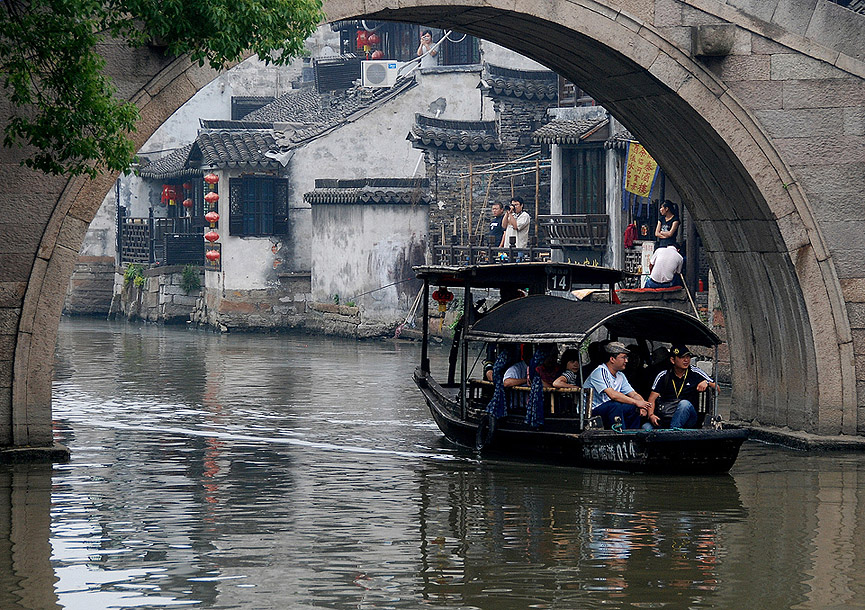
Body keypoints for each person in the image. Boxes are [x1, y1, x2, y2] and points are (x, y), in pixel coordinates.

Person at [647, 344, 718, 429]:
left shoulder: (695, 372)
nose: (686, 360)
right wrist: (651, 415)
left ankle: (673, 434)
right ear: (673, 360)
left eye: (688, 357)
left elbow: (717, 388)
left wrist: (707, 382)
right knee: (646, 427)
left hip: (689, 417)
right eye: (681, 357)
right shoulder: (663, 375)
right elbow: (652, 399)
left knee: (684, 404)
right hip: (667, 414)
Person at [586, 342, 653, 429]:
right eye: (623, 357)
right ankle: (621, 435)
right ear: (612, 359)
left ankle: (632, 435)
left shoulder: (620, 375)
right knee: (615, 405)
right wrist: (636, 402)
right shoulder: (600, 371)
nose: (627, 361)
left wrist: (643, 405)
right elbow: (613, 395)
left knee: (633, 407)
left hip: (608, 409)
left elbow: (633, 394)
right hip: (591, 411)